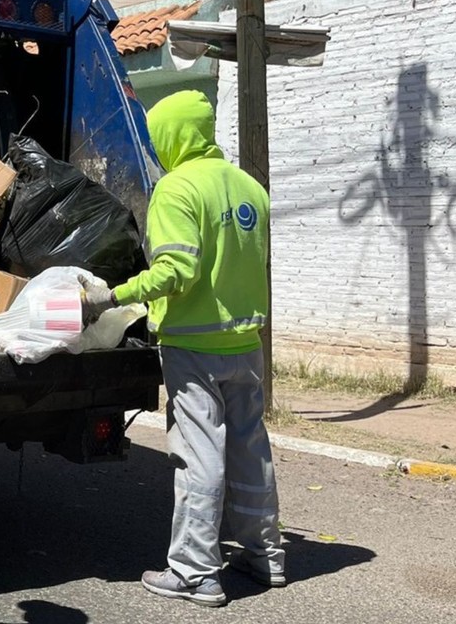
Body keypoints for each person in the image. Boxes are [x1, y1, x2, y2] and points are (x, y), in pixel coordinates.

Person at [81, 90, 283, 607]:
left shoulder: (176, 189)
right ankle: (265, 556)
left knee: (199, 456)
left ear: (172, 135)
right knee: (250, 447)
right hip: (246, 342)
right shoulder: (250, 188)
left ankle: (195, 571)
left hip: (194, 344)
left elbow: (177, 271)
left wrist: (112, 296)